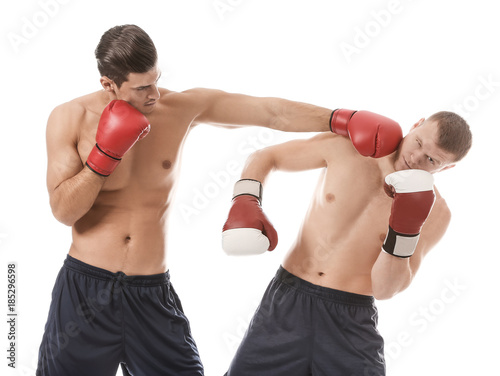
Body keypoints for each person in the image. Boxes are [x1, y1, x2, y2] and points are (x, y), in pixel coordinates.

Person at [36, 24, 390, 376]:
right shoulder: (71, 118)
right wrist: (103, 156)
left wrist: (341, 119)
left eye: (157, 80)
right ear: (108, 84)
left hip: (150, 289)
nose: (155, 94)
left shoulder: (181, 108)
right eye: (142, 87)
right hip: (85, 288)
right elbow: (64, 211)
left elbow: (270, 112)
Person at [222, 109, 472, 375]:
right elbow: (266, 156)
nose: (415, 158)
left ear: (448, 167)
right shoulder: (349, 147)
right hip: (287, 303)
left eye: (432, 160)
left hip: (350, 322)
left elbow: (385, 290)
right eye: (419, 143)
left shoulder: (436, 214)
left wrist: (404, 229)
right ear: (416, 124)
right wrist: (246, 198)